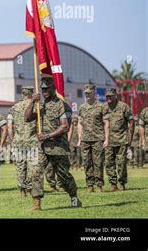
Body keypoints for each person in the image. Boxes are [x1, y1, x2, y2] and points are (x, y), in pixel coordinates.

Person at [25, 77, 82, 210]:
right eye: (42, 89)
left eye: (47, 88)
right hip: (42, 147)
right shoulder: (41, 105)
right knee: (36, 172)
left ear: (53, 88)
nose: (44, 91)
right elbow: (27, 118)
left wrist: (47, 136)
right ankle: (36, 203)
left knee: (63, 176)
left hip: (58, 147)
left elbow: (65, 127)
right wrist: (32, 102)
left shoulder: (61, 105)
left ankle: (74, 197)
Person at [8, 86, 38, 197]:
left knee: (20, 166)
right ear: (31, 94)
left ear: (22, 94)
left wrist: (13, 140)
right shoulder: (36, 106)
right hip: (32, 141)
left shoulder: (14, 107)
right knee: (31, 166)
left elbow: (10, 126)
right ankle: (30, 189)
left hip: (18, 141)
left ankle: (22, 190)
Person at [77, 84, 107, 192]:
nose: (87, 95)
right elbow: (80, 123)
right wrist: (80, 138)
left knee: (98, 163)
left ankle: (99, 185)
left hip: (98, 138)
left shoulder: (101, 106)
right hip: (85, 139)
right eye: (86, 93)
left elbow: (106, 123)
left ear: (94, 93)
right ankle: (90, 185)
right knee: (86, 163)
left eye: (89, 93)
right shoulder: (82, 107)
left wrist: (106, 139)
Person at [103, 87, 133, 191]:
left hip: (122, 139)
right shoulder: (104, 108)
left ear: (116, 96)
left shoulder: (124, 107)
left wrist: (130, 137)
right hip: (108, 141)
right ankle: (113, 184)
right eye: (107, 96)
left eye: (111, 96)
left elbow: (131, 122)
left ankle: (122, 183)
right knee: (109, 163)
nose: (108, 98)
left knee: (121, 163)